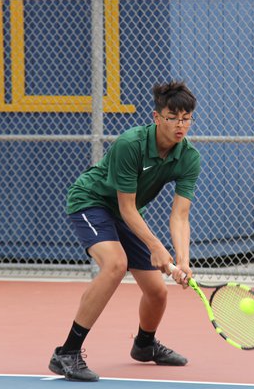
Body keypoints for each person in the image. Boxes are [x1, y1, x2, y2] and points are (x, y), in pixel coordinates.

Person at [49, 81, 201, 382]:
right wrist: (157, 246)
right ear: (157, 118)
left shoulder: (189, 157)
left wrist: (183, 260)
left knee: (157, 292)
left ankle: (144, 345)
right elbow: (127, 207)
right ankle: (67, 352)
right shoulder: (131, 144)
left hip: (126, 213)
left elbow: (180, 216)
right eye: (173, 117)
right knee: (115, 264)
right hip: (91, 202)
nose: (180, 125)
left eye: (186, 118)